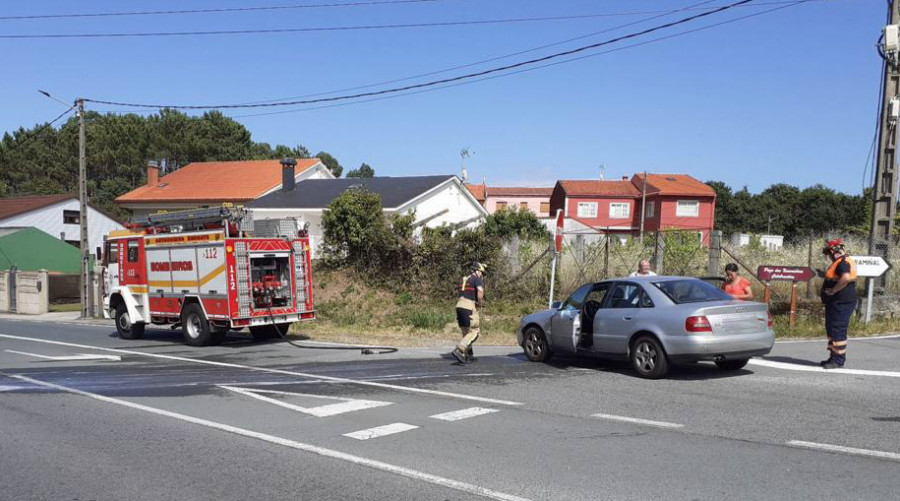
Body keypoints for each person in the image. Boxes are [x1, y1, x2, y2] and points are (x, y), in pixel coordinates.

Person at [820, 238, 857, 369]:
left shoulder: (842, 262)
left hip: (841, 302)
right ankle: (833, 357)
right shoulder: (841, 261)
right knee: (831, 329)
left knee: (837, 329)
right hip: (836, 302)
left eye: (828, 253)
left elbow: (845, 278)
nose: (828, 256)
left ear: (833, 251)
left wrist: (833, 290)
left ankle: (838, 360)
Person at [451, 262, 486, 364]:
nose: (482, 275)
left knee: (466, 332)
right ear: (477, 270)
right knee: (475, 331)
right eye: (482, 273)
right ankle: (460, 349)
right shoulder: (476, 278)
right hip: (468, 306)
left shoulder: (463, 279)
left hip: (459, 305)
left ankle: (468, 355)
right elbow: (480, 291)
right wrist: (479, 303)